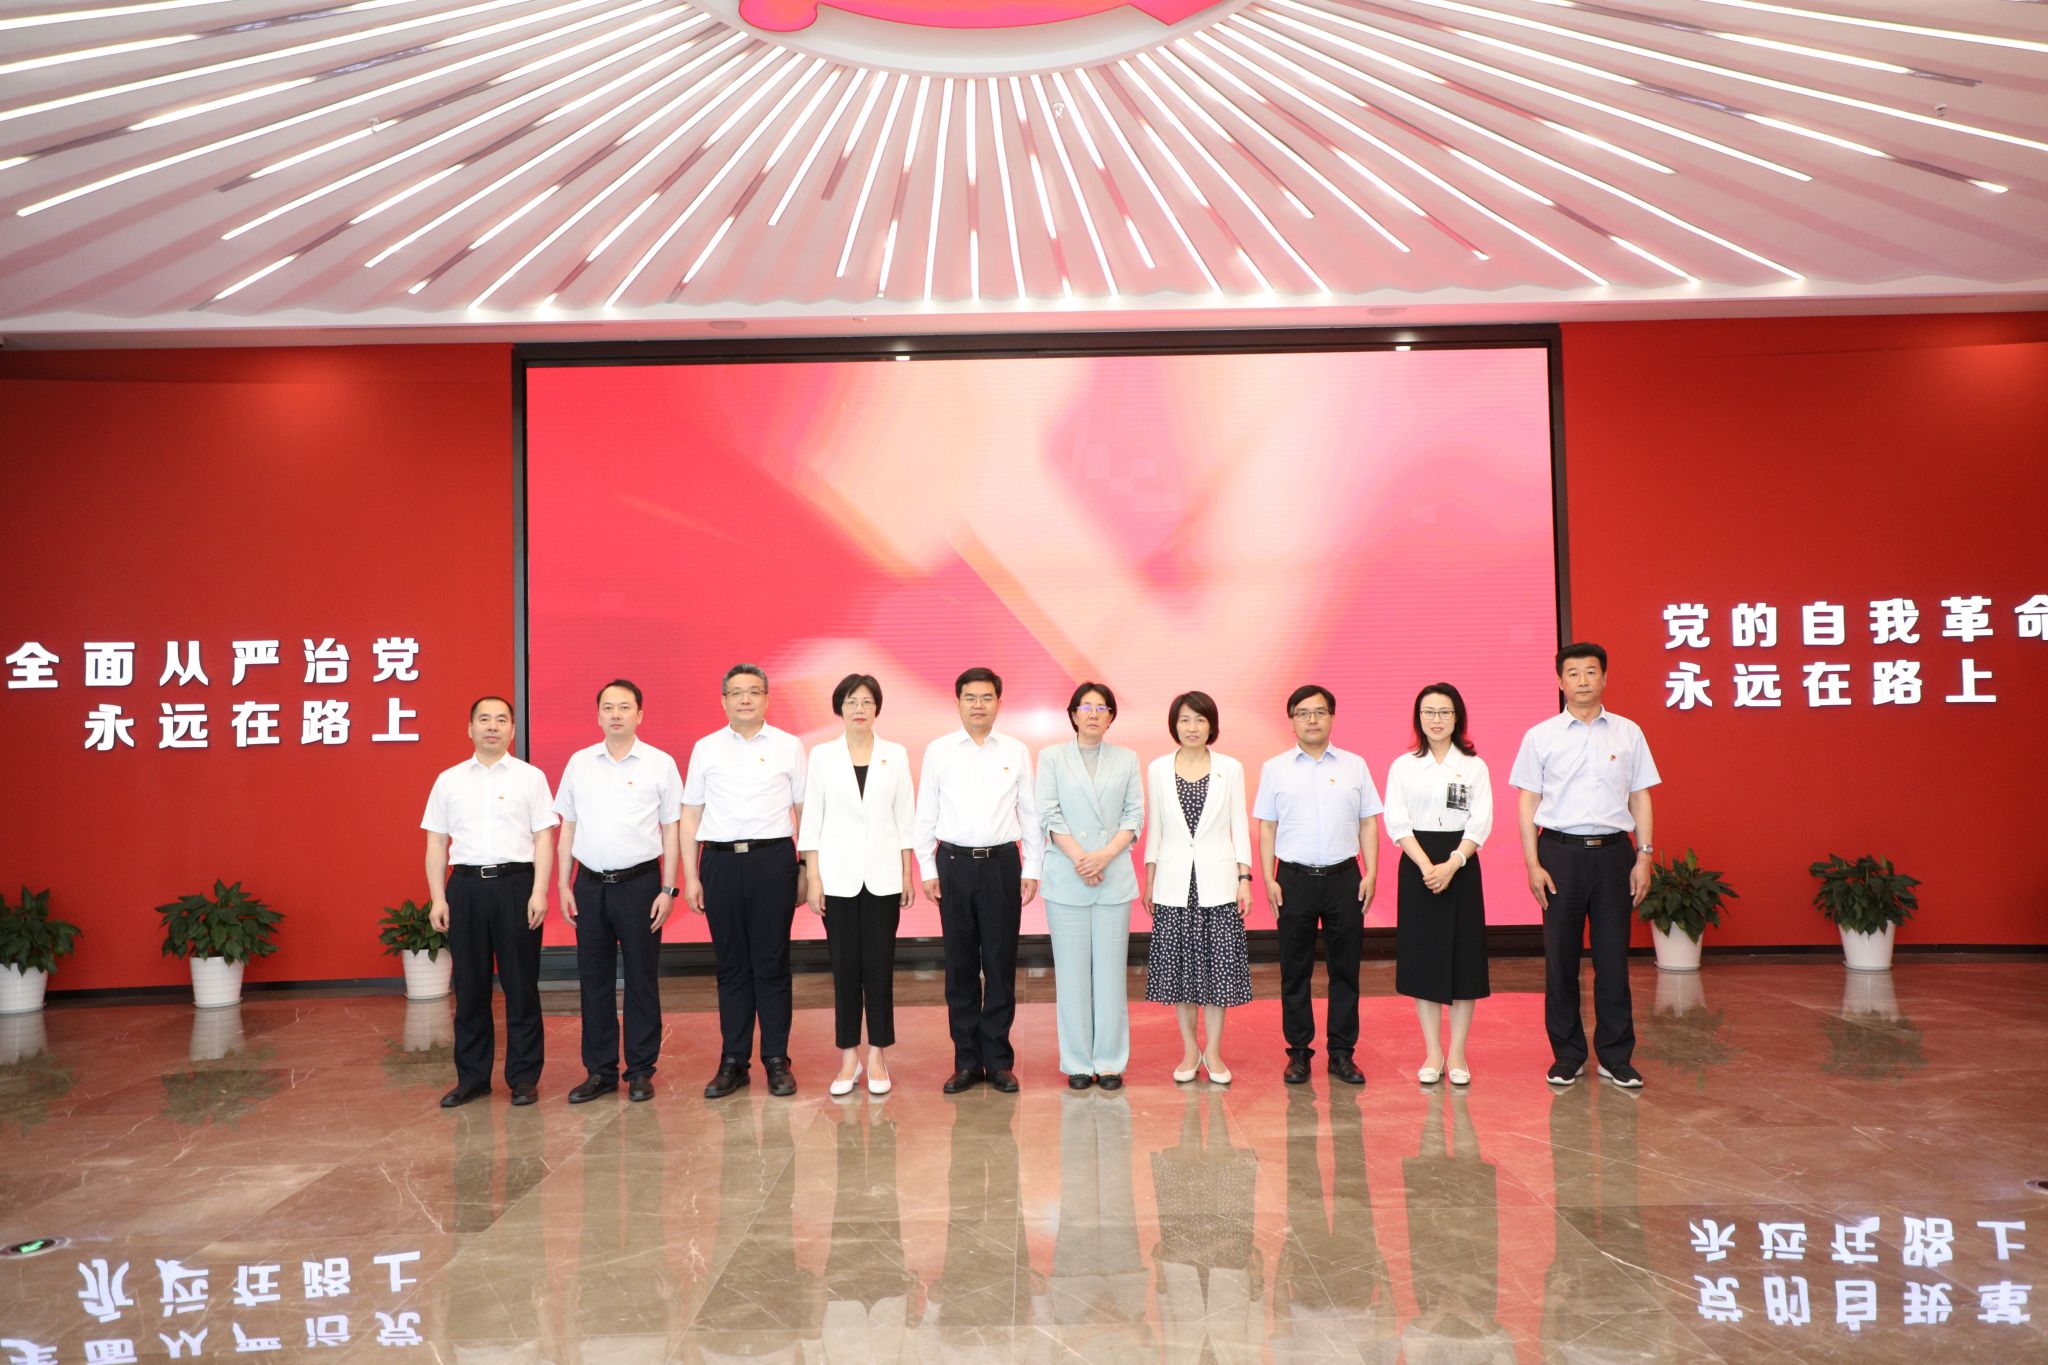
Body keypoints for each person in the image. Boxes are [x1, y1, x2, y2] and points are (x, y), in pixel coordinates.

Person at [1509, 642, 1660, 1090]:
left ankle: (1616, 1057)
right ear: (1560, 681)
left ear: (1604, 678)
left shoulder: (1628, 733)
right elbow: (1527, 803)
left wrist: (1644, 855)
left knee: (1613, 960)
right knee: (1561, 960)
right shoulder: (1540, 736)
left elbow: (1641, 797)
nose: (1582, 681)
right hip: (1559, 855)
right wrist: (1532, 863)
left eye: (1591, 672)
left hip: (1615, 855)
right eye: (1572, 673)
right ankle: (1568, 1054)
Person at [422, 695, 558, 1109]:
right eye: (484, 719)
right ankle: (472, 1078)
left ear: (512, 730)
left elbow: (544, 838)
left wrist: (539, 891)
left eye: (501, 720)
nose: (492, 726)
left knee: (521, 986)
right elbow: (436, 842)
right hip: (464, 888)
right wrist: (438, 898)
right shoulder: (449, 780)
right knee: (470, 988)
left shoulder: (530, 778)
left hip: (516, 886)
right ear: (470, 728)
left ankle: (523, 1077)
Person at [681, 664, 808, 1099]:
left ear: (767, 698)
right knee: (732, 965)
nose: (746, 699)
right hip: (719, 862)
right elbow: (691, 814)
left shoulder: (789, 746)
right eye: (736, 693)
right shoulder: (706, 748)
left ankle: (776, 1059)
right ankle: (733, 1061)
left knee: (772, 963)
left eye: (754, 691)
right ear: (724, 701)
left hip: (773, 861)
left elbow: (805, 811)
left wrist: (806, 867)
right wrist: (691, 875)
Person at [553, 678, 683, 1104]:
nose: (615, 714)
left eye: (624, 707)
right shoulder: (579, 763)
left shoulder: (660, 764)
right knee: (594, 980)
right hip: (589, 885)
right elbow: (568, 826)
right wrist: (563, 883)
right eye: (608, 707)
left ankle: (641, 1070)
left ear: (640, 714)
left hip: (640, 885)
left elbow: (671, 829)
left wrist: (668, 888)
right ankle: (600, 1071)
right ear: (598, 715)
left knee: (642, 979)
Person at [914, 666, 1043, 1095]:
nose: (978, 705)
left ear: (999, 703)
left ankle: (999, 1061)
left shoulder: (1016, 750)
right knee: (961, 967)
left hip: (1002, 864)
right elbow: (925, 813)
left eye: (987, 697)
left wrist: (1032, 867)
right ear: (958, 703)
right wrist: (928, 869)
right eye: (970, 697)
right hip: (953, 864)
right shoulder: (939, 751)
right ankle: (967, 1062)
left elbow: (1029, 813)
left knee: (1000, 966)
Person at [1253, 684, 1382, 1087]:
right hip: (1293, 880)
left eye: (1320, 712)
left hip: (1345, 878)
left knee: (1346, 970)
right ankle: (1298, 1052)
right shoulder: (1275, 768)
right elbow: (1267, 826)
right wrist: (1269, 878)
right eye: (1303, 713)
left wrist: (1371, 872)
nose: (1312, 719)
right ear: (1291, 720)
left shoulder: (1355, 765)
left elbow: (1367, 822)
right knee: (1295, 971)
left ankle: (1342, 1053)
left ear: (1332, 718)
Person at [798, 672, 916, 1098]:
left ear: (877, 707)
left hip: (883, 877)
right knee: (845, 970)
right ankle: (849, 1056)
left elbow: (906, 816)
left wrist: (907, 873)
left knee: (880, 969)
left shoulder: (895, 754)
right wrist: (813, 877)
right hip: (837, 878)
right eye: (851, 702)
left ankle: (878, 1054)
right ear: (840, 708)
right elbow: (812, 819)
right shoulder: (822, 756)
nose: (859, 709)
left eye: (866, 701)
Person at [1037, 681, 1144, 1091]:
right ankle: (1078, 1063)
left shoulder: (1127, 759)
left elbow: (1134, 816)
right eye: (1086, 707)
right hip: (1068, 877)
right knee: (1071, 975)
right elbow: (1048, 815)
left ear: (1111, 716)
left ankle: (1111, 1062)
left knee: (1111, 975)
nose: (1094, 714)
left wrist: (1104, 856)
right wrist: (1082, 858)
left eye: (1102, 707)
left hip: (1112, 876)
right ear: (1073, 714)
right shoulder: (1051, 757)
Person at [1385, 682, 1493, 1087]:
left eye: (1444, 712)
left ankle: (1458, 1053)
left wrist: (1453, 863)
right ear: (1419, 718)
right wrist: (1428, 865)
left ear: (1457, 717)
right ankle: (1433, 1052)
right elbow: (1397, 821)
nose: (1436, 719)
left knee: (1465, 960)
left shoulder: (1474, 766)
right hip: (1418, 863)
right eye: (1428, 712)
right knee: (1424, 959)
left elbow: (1480, 821)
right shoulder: (1404, 766)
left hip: (1461, 861)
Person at [1143, 690, 1253, 1085]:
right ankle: (1190, 1050)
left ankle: (1215, 1052)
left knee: (1218, 972)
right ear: (1175, 725)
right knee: (1181, 973)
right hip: (1174, 884)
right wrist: (1150, 879)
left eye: (1200, 720)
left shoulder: (1230, 768)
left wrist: (1244, 878)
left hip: (1218, 884)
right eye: (1185, 720)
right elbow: (1156, 827)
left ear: (1212, 725)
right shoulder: (1158, 768)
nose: (1192, 727)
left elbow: (1239, 824)